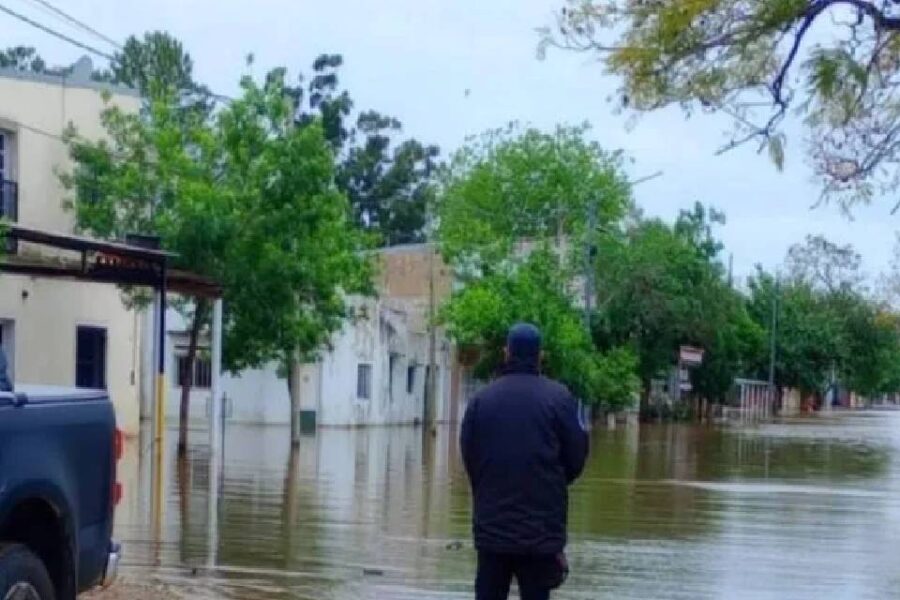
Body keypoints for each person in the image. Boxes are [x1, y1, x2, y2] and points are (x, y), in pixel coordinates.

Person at [460, 323, 589, 600]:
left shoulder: (481, 401)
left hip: (492, 531)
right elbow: (576, 458)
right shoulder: (560, 399)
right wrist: (550, 482)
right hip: (541, 534)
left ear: (506, 353)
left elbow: (470, 458)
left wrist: (489, 488)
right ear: (540, 356)